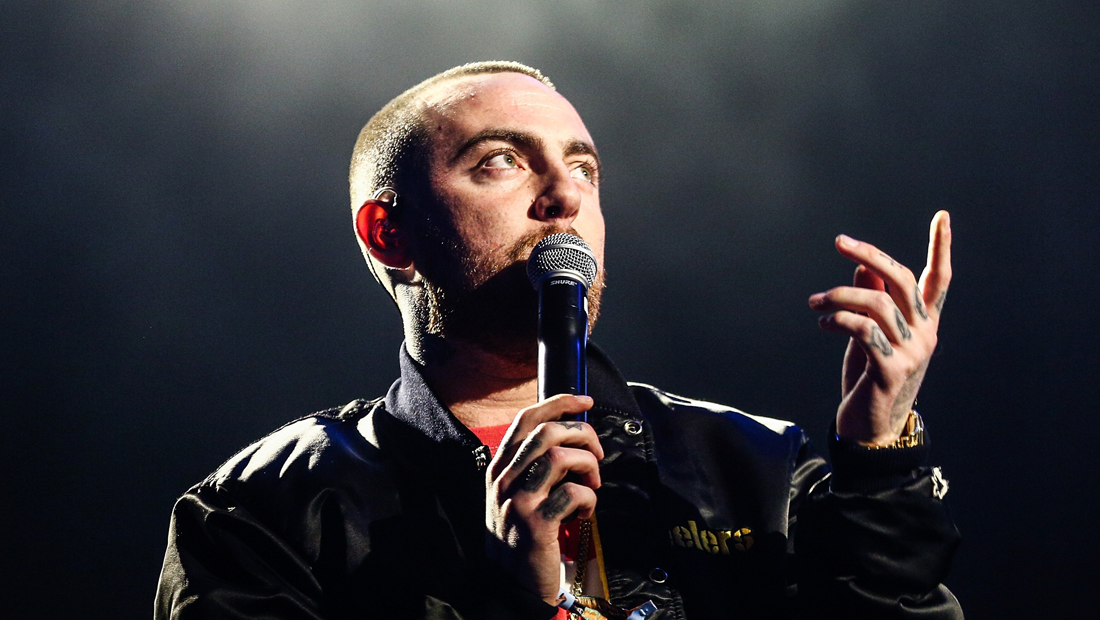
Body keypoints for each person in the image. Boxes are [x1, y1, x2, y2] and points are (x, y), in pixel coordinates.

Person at [156, 61, 961, 619]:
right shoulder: (262, 513)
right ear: (389, 234)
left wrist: (879, 457)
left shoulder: (758, 469)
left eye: (585, 169)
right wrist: (513, 601)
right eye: (501, 160)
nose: (564, 195)